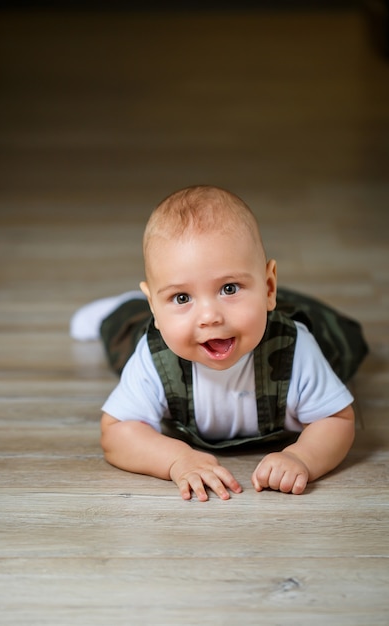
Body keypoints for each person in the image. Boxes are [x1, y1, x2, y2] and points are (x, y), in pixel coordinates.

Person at [70, 185, 368, 501]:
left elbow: (337, 418)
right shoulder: (154, 359)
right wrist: (176, 459)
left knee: (341, 338)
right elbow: (116, 432)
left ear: (269, 287)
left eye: (229, 288)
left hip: (280, 322)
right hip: (174, 332)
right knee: (125, 337)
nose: (210, 316)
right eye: (181, 297)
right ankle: (125, 306)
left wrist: (303, 457)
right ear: (155, 306)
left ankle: (240, 296)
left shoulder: (296, 350)